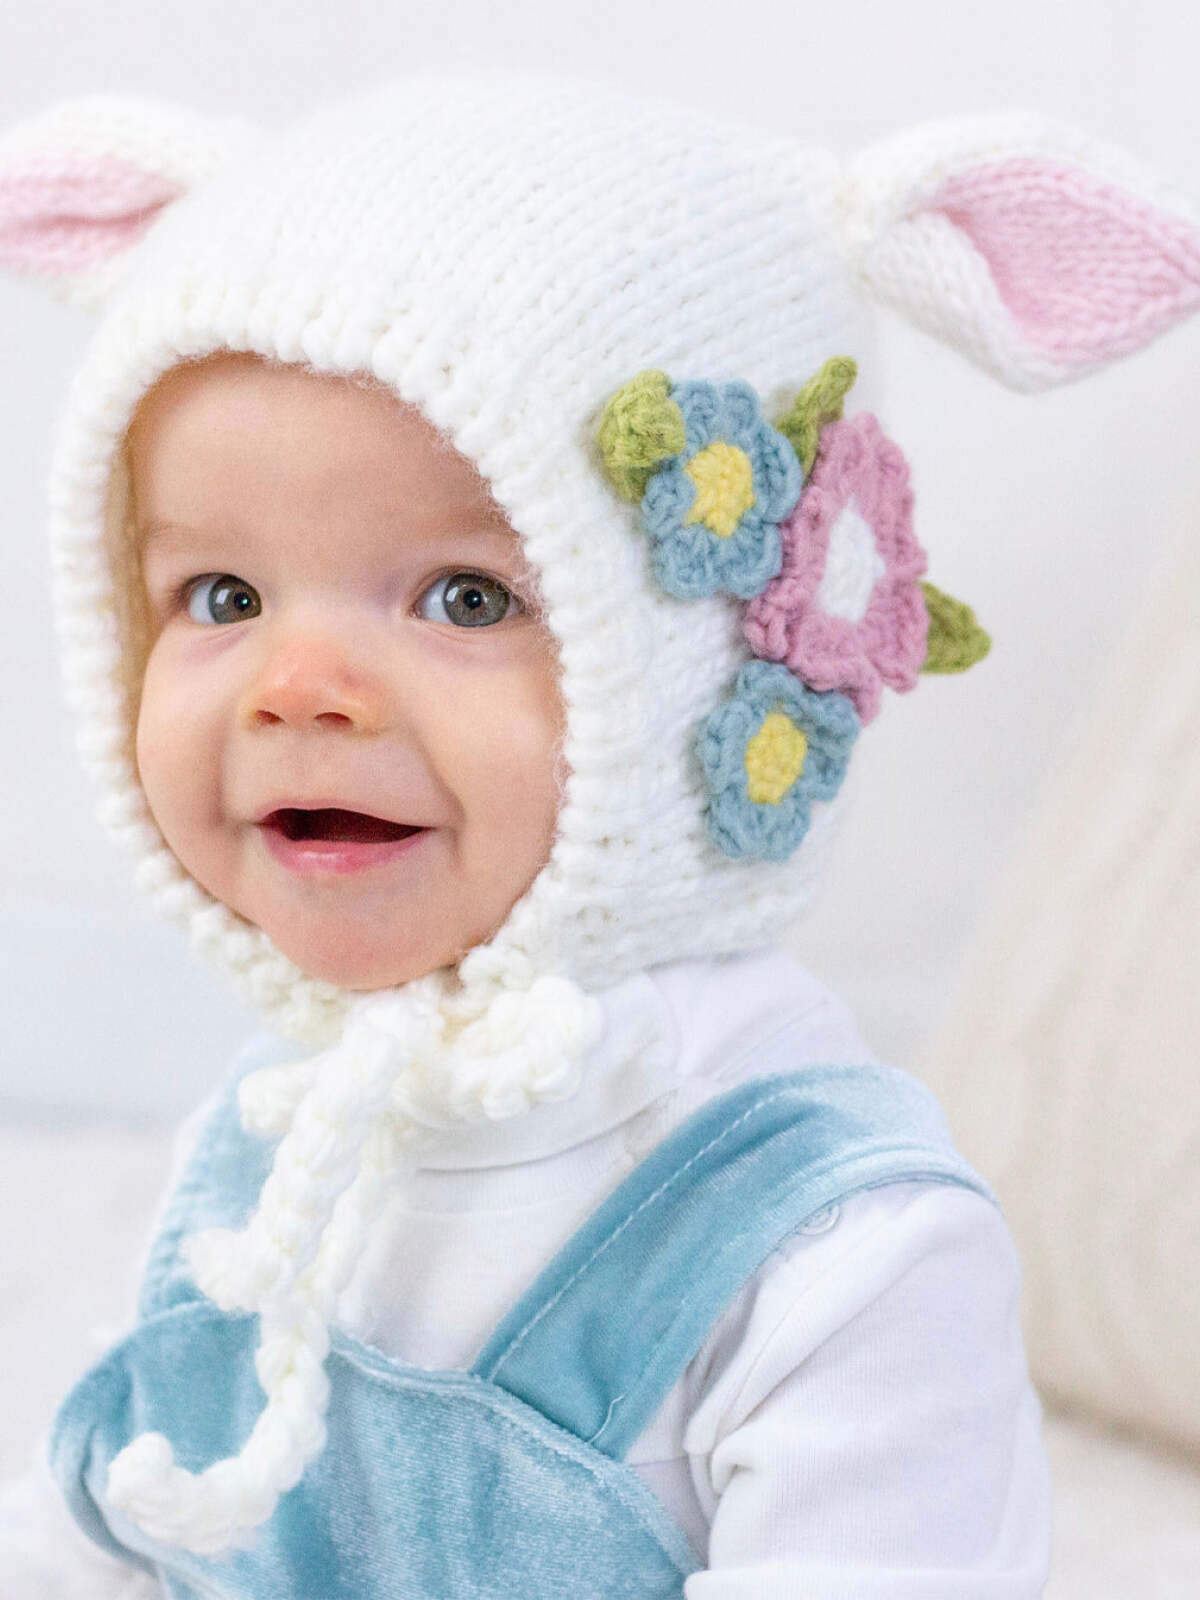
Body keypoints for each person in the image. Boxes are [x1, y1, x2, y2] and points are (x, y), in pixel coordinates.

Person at [1, 72, 1197, 1599]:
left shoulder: (829, 1246)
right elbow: (121, 1528)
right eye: (222, 599)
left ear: (689, 664)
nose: (299, 691)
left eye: (465, 598)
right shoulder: (275, 1153)